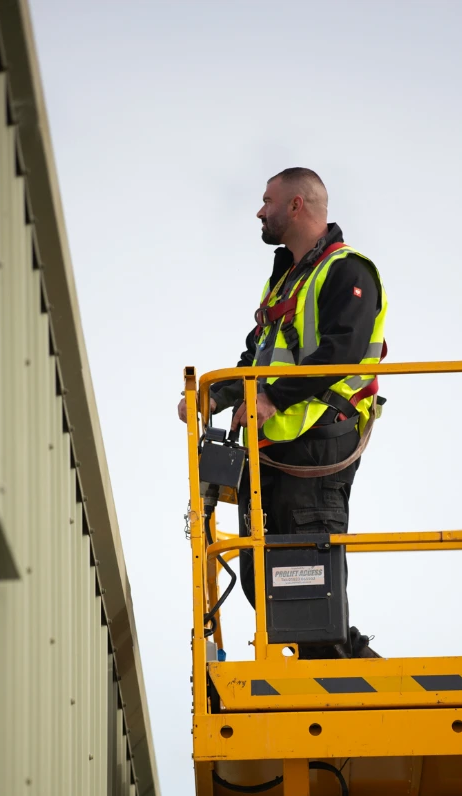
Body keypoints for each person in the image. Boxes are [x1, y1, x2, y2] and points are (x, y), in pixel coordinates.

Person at [179, 167, 387, 658]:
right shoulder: (284, 284)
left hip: (318, 440)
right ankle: (342, 669)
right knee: (266, 583)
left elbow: (344, 350)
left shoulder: (348, 271)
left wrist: (274, 398)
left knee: (307, 586)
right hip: (273, 446)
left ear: (297, 205)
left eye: (268, 200)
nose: (259, 209)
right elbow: (258, 361)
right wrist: (218, 396)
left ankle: (350, 684)